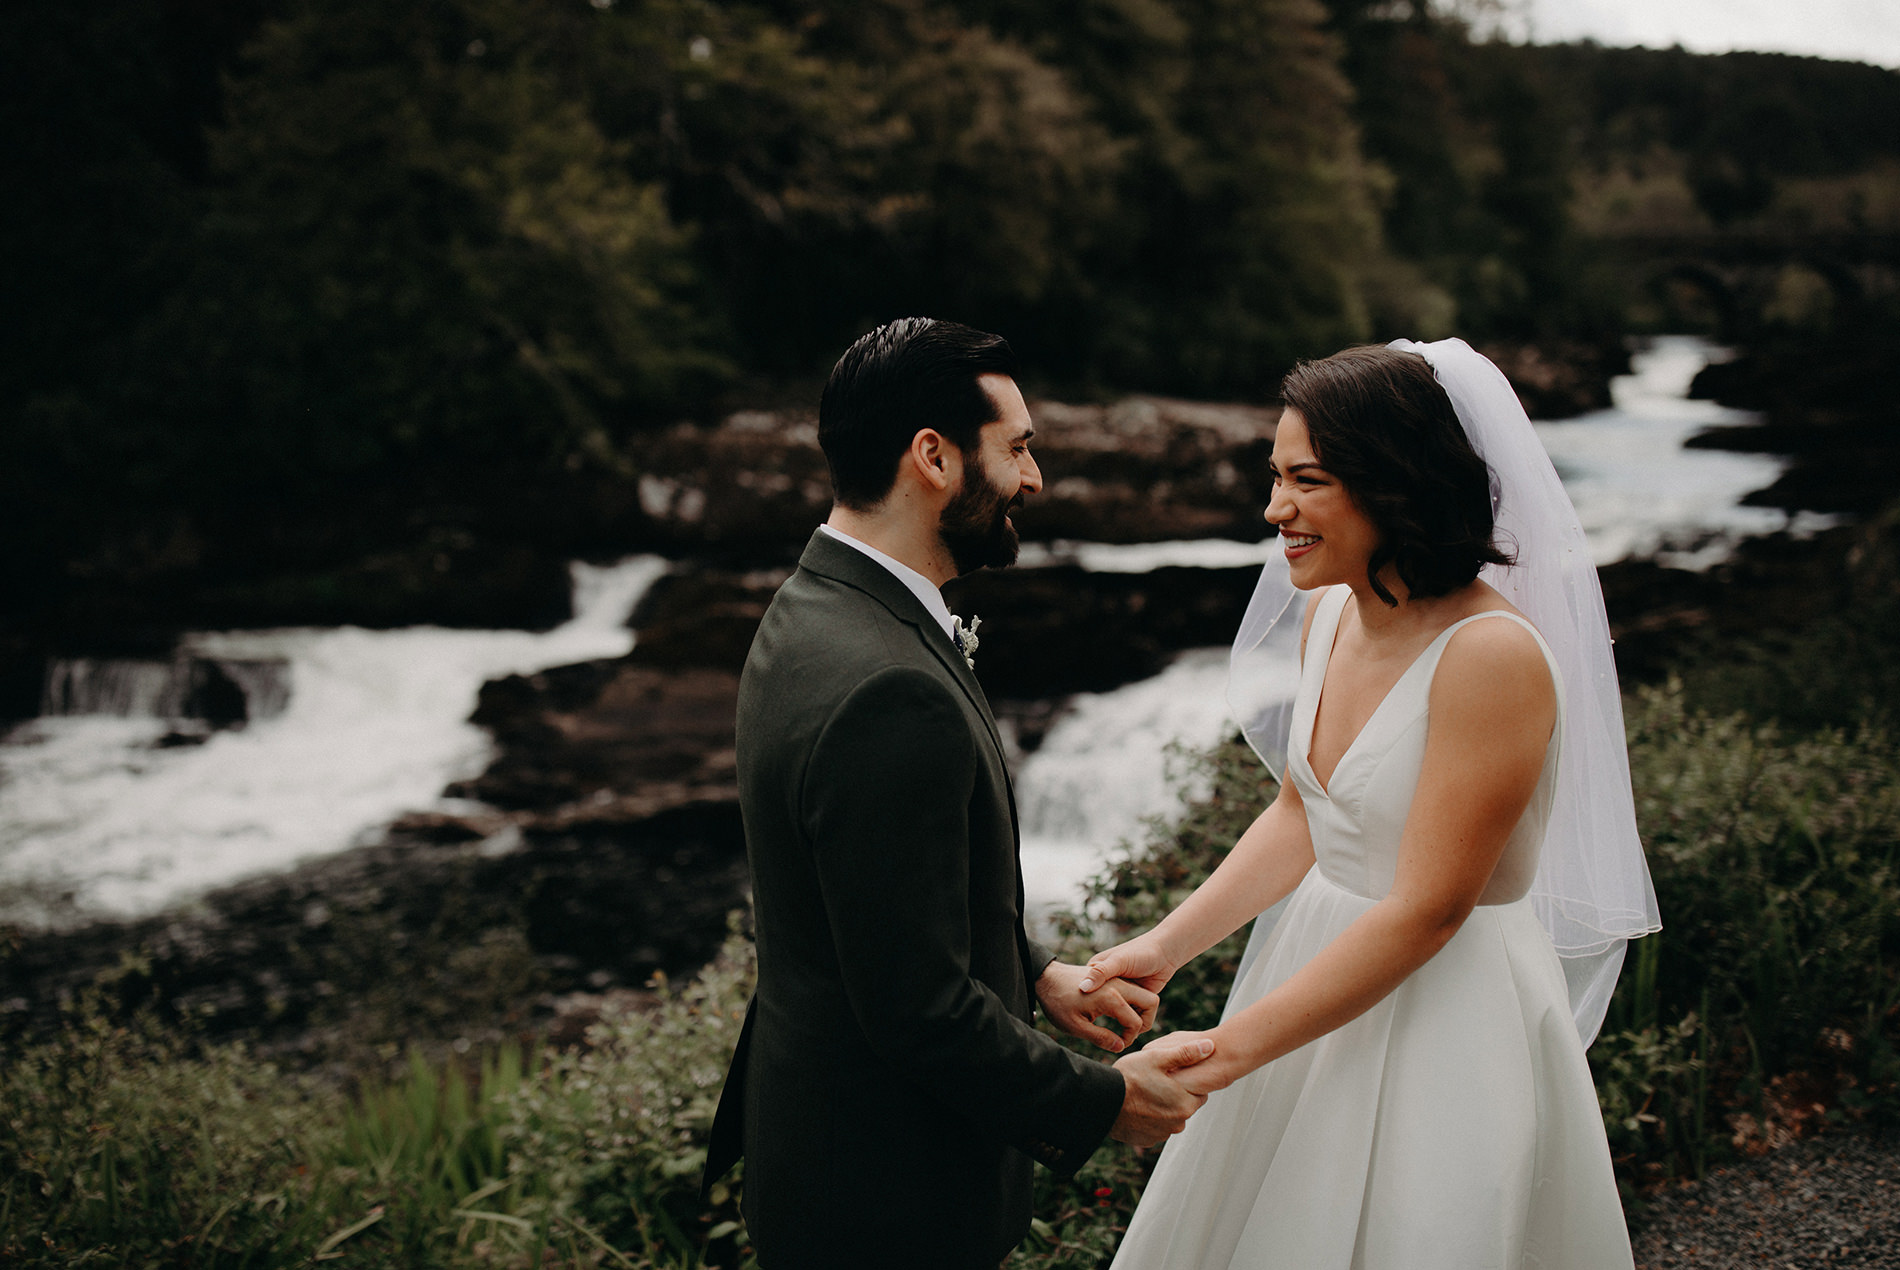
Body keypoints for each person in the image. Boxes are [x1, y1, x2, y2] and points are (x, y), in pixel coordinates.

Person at [1080, 339, 1660, 1269]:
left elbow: (1430, 908)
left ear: (1394, 483)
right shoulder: (1330, 613)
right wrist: (1161, 949)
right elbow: (1303, 816)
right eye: (1275, 477)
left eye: (1305, 480)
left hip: (1446, 1007)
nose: (1275, 509)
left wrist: (1224, 1054)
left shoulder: (1490, 656)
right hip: (1310, 971)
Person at [700, 317, 1217, 1270]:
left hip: (821, 1160)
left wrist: (1030, 974)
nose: (1033, 480)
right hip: (890, 1201)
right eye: (1016, 448)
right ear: (932, 457)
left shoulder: (811, 607)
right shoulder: (891, 687)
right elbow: (916, 1008)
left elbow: (879, 901)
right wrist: (1107, 1102)